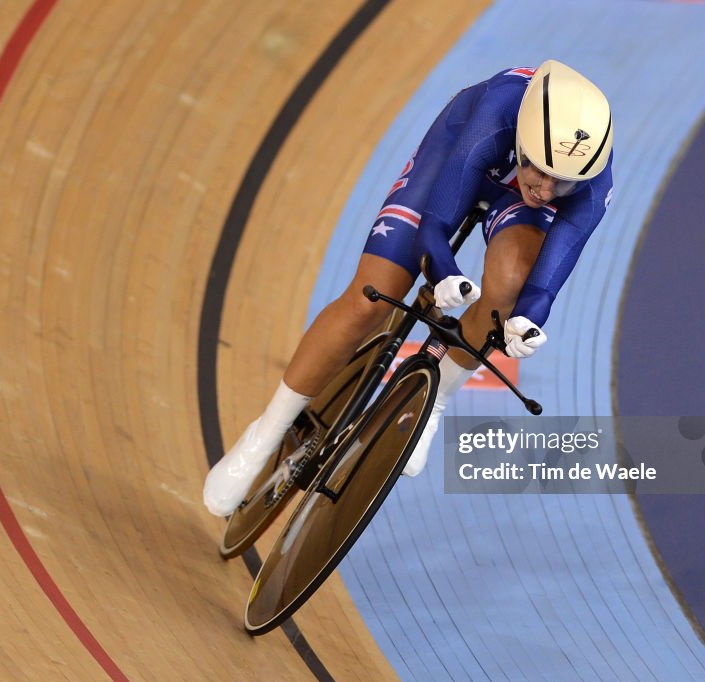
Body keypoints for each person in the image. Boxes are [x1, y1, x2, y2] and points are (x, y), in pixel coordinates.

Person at [204, 60, 614, 516]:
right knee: (369, 299)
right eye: (540, 170)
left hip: (509, 197)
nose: (547, 188)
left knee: (510, 291)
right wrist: (443, 275)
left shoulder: (591, 181)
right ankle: (267, 430)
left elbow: (552, 272)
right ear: (525, 140)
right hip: (459, 158)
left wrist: (528, 321)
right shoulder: (496, 114)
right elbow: (434, 225)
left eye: (564, 182)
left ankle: (435, 400)